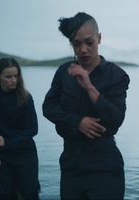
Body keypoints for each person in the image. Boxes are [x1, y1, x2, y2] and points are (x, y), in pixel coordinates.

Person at [42, 12, 129, 200]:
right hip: (71, 166)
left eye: (89, 42)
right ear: (71, 44)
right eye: (76, 44)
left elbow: (116, 120)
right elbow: (48, 107)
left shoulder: (116, 75)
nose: (83, 50)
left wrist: (90, 88)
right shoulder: (64, 72)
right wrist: (77, 122)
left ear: (99, 38)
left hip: (105, 166)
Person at [0, 58, 40, 200]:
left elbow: (33, 129)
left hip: (25, 152)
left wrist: (8, 142)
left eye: (16, 76)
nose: (14, 80)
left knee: (30, 194)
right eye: (9, 77)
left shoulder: (26, 97)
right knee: (6, 195)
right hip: (2, 154)